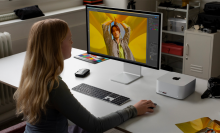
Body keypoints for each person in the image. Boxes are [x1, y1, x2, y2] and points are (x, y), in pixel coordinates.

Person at [13, 19, 156, 133]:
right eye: (69, 38)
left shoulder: (32, 75)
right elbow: (96, 126)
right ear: (56, 46)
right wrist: (133, 109)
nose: (72, 42)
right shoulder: (54, 86)